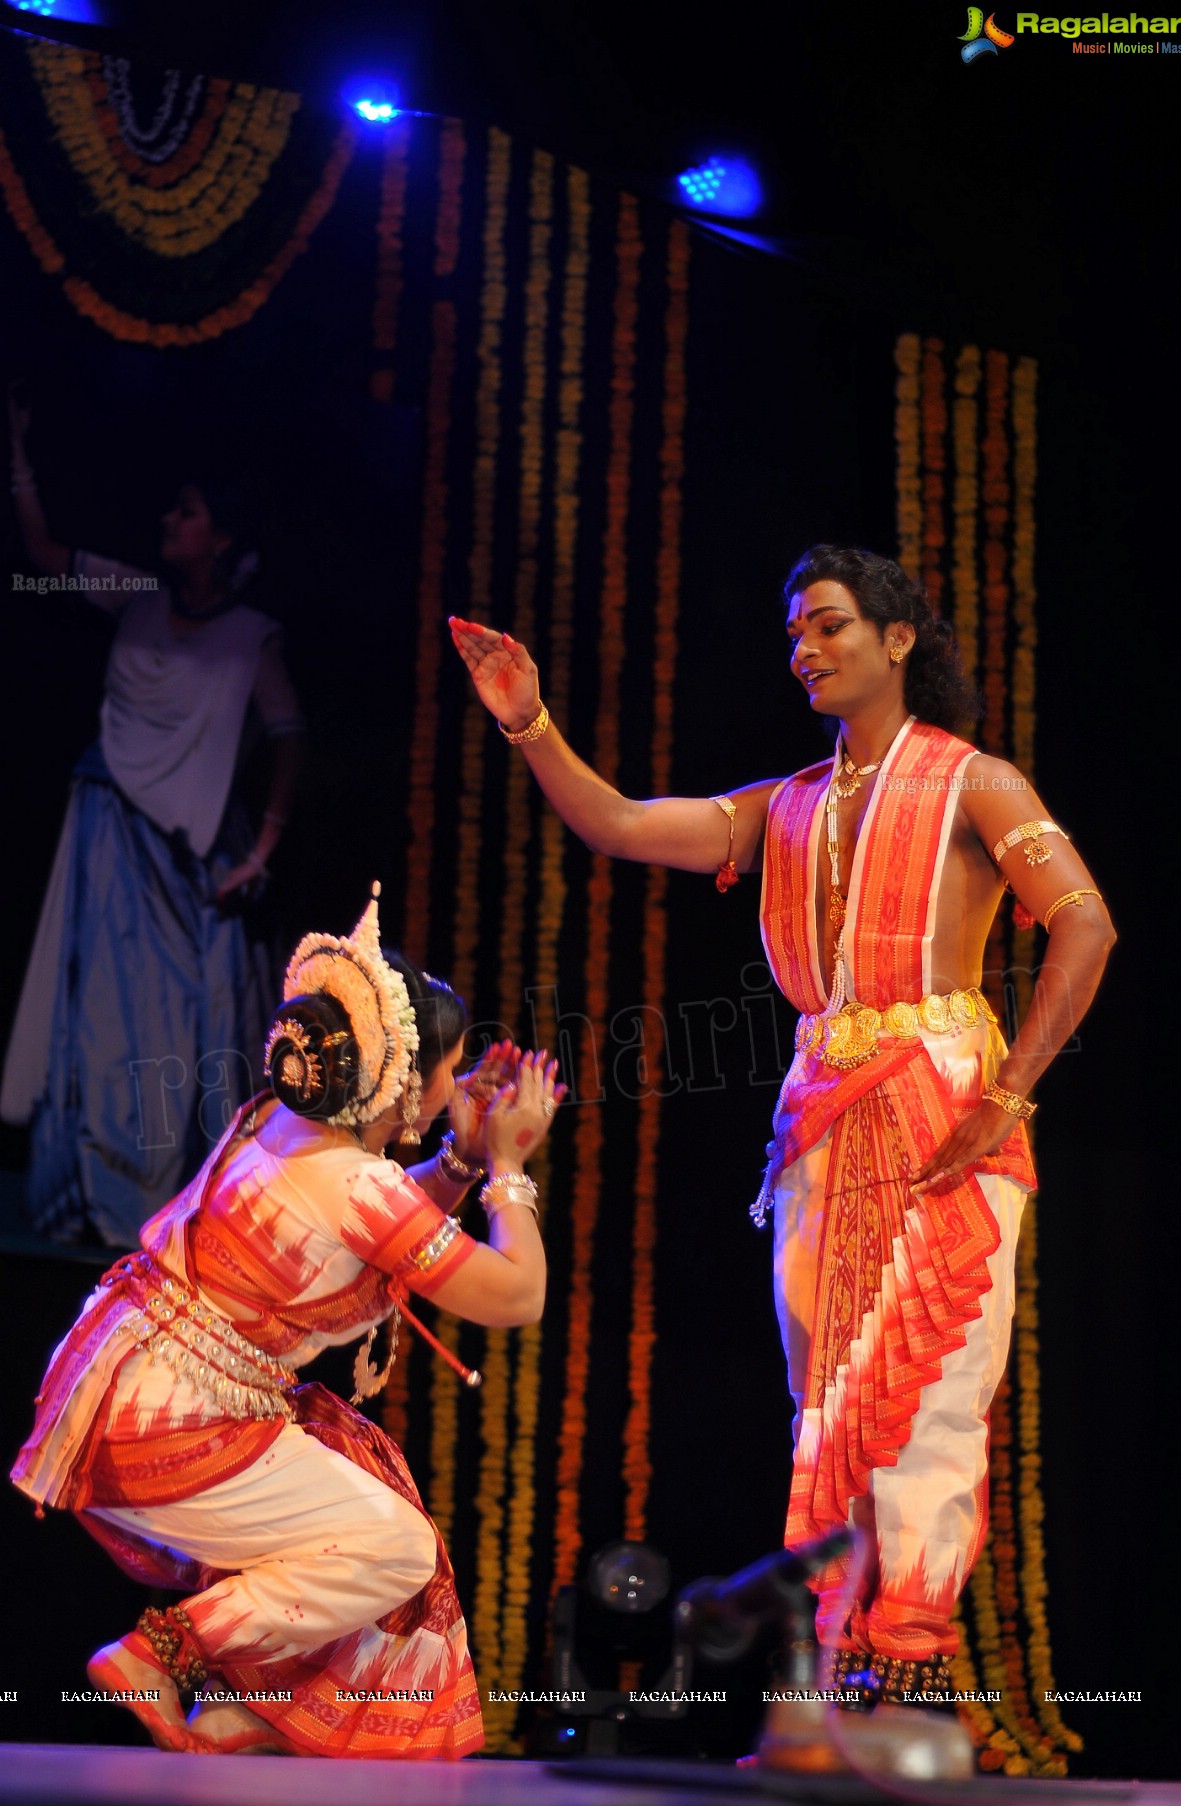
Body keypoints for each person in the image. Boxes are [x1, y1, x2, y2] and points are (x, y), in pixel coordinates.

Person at [449, 544, 1114, 1705]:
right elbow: (613, 823)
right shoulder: (784, 805)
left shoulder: (976, 783)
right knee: (830, 1403)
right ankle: (844, 1668)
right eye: (794, 633)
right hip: (819, 1118)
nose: (802, 649)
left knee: (928, 1394)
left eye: (828, 625)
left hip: (943, 1102)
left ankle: (897, 1673)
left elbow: (1085, 926)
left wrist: (1009, 1092)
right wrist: (529, 723)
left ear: (897, 640)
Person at [12, 884, 565, 1757]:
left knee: (359, 1503)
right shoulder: (359, 1184)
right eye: (448, 1070)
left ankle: (241, 1718)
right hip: (172, 1416)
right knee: (392, 1550)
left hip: (132, 1382)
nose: (455, 1085)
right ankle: (165, 1652)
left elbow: (380, 1231)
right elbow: (515, 1295)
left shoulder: (282, 1122)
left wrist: (456, 1152)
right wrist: (506, 1164)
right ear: (397, 1078)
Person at [3, 386, 305, 1248]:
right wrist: (19, 456)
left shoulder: (250, 633)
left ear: (223, 537)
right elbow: (38, 555)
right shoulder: (132, 593)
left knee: (181, 1029)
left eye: (189, 511)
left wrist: (264, 852)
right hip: (110, 840)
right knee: (101, 1016)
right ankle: (96, 1201)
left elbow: (290, 736)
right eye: (174, 507)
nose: (169, 519)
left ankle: (186, 1211)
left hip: (195, 856)